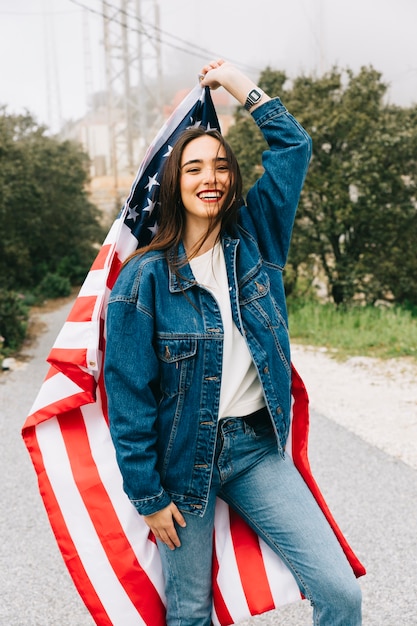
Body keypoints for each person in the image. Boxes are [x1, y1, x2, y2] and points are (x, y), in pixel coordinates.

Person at [104, 59, 362, 625]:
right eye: (194, 168)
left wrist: (237, 82)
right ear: (174, 183)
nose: (210, 177)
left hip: (252, 450)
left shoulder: (258, 240)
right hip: (179, 464)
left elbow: (293, 146)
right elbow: (128, 399)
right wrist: (148, 497)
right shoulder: (143, 281)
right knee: (190, 612)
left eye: (221, 165)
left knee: (340, 591)